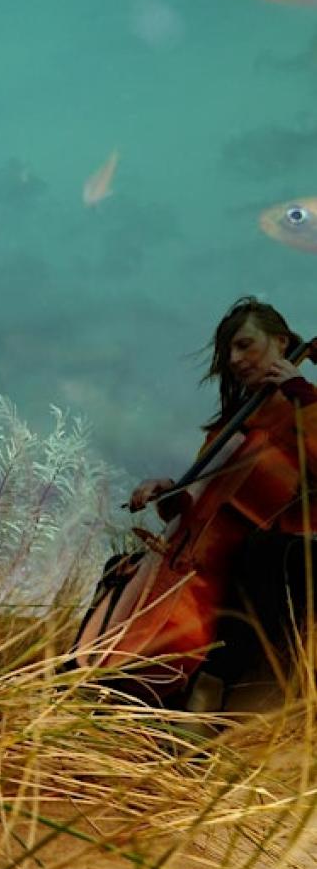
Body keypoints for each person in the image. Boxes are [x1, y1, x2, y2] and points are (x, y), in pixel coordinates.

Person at [128, 297, 316, 713]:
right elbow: (207, 502)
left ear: (281, 342)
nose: (234, 359)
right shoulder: (231, 425)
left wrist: (301, 394)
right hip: (227, 546)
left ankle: (215, 687)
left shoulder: (306, 405)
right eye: (228, 351)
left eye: (244, 345)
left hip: (295, 547)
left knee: (261, 556)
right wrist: (171, 491)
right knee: (122, 571)